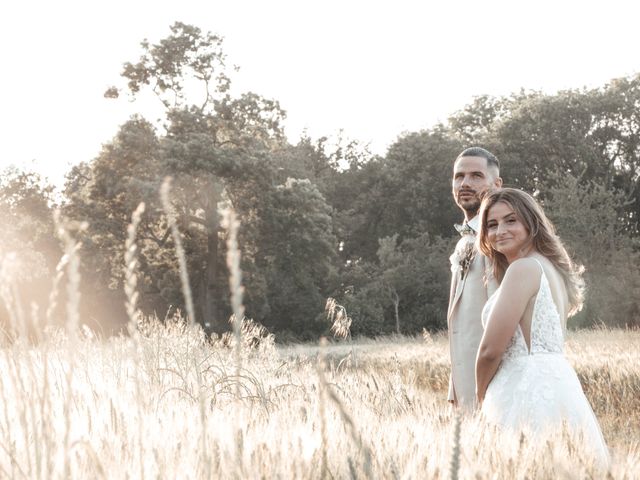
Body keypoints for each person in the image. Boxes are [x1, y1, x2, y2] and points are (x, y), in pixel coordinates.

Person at [475, 188, 609, 463]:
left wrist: (480, 398)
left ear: (531, 222)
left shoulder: (523, 269)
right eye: (492, 224)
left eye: (511, 220)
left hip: (523, 386)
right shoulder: (551, 269)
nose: (500, 230)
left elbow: (490, 349)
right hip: (558, 383)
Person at [447, 147, 502, 410]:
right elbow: (461, 329)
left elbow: (501, 325)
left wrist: (486, 394)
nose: (465, 183)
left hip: (494, 388)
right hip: (467, 389)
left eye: (476, 176)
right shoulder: (466, 241)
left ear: (496, 184)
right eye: (459, 177)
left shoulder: (500, 238)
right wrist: (455, 391)